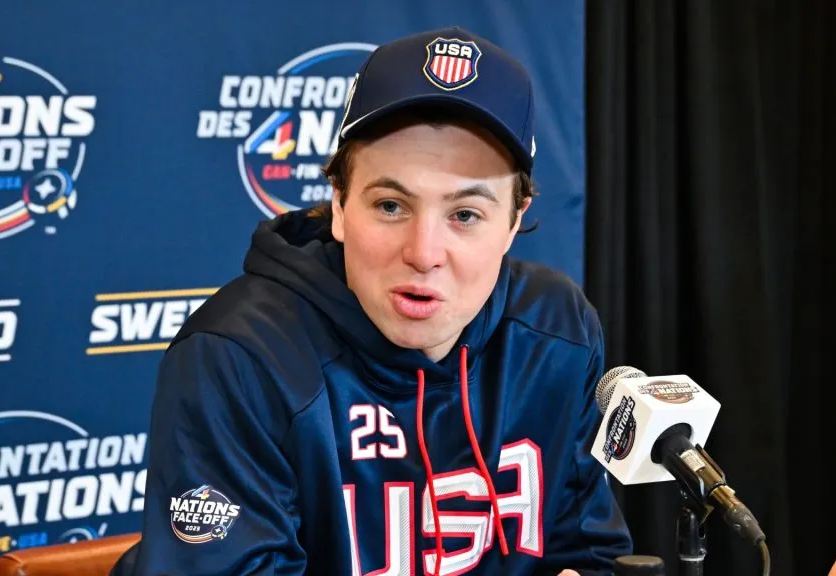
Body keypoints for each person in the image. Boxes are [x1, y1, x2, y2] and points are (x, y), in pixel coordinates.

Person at [111, 26, 633, 576]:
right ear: (338, 204)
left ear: (513, 222)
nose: (424, 253)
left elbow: (593, 554)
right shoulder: (241, 358)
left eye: (465, 215)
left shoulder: (557, 332)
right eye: (390, 205)